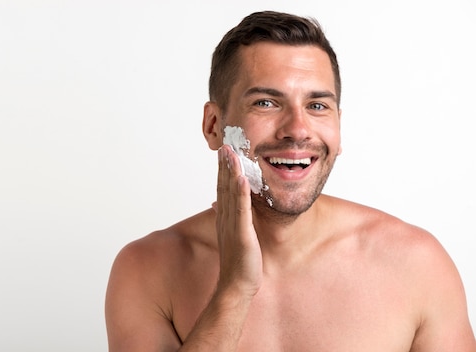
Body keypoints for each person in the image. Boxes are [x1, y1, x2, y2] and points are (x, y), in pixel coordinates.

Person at [105, 10, 476, 351]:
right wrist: (234, 289)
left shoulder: (416, 265)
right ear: (214, 126)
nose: (298, 130)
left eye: (317, 106)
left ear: (338, 127)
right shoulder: (147, 270)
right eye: (266, 102)